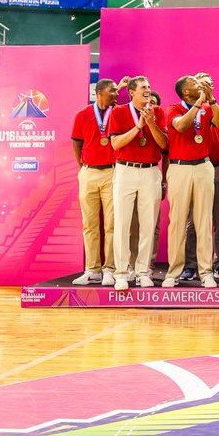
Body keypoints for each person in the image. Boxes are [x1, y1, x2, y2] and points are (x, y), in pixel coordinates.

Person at [162, 74, 219, 289]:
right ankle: (173, 272)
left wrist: (211, 100)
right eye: (194, 83)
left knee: (203, 222)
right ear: (185, 92)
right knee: (178, 223)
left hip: (203, 166)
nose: (199, 84)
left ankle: (206, 272)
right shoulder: (173, 108)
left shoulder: (207, 106)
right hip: (179, 167)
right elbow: (181, 126)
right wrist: (198, 104)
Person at [107, 76, 167, 291]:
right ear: (132, 92)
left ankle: (143, 271)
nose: (148, 90)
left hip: (150, 171)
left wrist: (150, 123)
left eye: (150, 87)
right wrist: (138, 127)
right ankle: (121, 272)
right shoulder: (119, 112)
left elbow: (163, 144)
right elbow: (115, 143)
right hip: (125, 170)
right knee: (122, 224)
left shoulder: (158, 112)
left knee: (148, 225)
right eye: (143, 87)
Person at [180, 71, 219, 283]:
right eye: (201, 85)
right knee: (193, 221)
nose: (206, 88)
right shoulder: (189, 111)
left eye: (209, 84)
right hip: (196, 168)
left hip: (218, 168)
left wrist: (212, 101)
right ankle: (191, 264)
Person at [70, 77, 123, 286]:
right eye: (113, 91)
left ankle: (109, 269)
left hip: (112, 172)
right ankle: (92, 269)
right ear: (100, 92)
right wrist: (83, 165)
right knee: (89, 224)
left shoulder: (118, 113)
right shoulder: (82, 115)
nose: (116, 93)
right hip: (88, 172)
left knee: (112, 224)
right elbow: (76, 143)